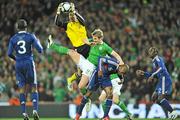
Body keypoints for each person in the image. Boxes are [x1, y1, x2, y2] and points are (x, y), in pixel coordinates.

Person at [47, 28, 124, 95]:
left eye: (95, 39)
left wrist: (122, 64)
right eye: (93, 38)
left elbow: (116, 55)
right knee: (71, 52)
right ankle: (52, 45)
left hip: (91, 67)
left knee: (80, 86)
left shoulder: (105, 47)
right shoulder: (92, 41)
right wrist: (88, 43)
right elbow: (83, 39)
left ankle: (86, 98)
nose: (94, 40)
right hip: (85, 61)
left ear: (101, 38)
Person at [7, 19, 43, 120]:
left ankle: (24, 114)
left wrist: (16, 59)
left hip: (18, 64)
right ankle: (35, 111)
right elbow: (40, 50)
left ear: (17, 28)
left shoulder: (13, 39)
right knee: (33, 88)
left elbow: (9, 53)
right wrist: (38, 41)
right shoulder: (31, 36)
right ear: (26, 27)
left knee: (22, 89)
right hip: (28, 62)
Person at [55, 2, 90, 88]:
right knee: (80, 73)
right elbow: (57, 23)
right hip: (78, 50)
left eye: (73, 15)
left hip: (87, 48)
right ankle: (71, 80)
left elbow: (83, 20)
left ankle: (72, 80)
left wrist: (74, 12)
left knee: (89, 69)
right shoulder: (67, 25)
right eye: (70, 15)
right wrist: (58, 12)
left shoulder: (80, 23)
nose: (71, 16)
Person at [136, 47, 178, 120]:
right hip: (160, 80)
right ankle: (169, 109)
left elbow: (162, 68)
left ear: (155, 52)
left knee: (160, 98)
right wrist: (144, 73)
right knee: (154, 98)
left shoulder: (157, 58)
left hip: (165, 79)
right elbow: (155, 74)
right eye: (149, 51)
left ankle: (173, 112)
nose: (149, 52)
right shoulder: (154, 61)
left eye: (151, 51)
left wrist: (152, 75)